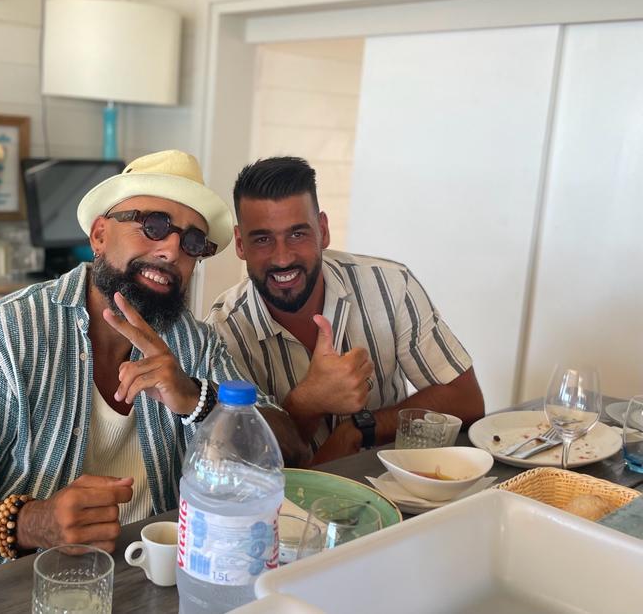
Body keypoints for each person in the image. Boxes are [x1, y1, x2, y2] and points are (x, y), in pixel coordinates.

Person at [0, 150, 304, 596]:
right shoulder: (6, 335)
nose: (170, 250)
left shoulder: (194, 343)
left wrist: (195, 398)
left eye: (192, 241)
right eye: (154, 225)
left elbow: (287, 448)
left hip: (132, 583)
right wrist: (34, 522)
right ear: (100, 235)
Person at [206, 157, 484, 464]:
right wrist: (308, 402)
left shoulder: (391, 285)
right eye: (263, 239)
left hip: (390, 485)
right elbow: (236, 464)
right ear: (240, 244)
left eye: (298, 234)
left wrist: (359, 429)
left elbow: (466, 400)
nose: (283, 258)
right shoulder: (221, 333)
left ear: (323, 230)